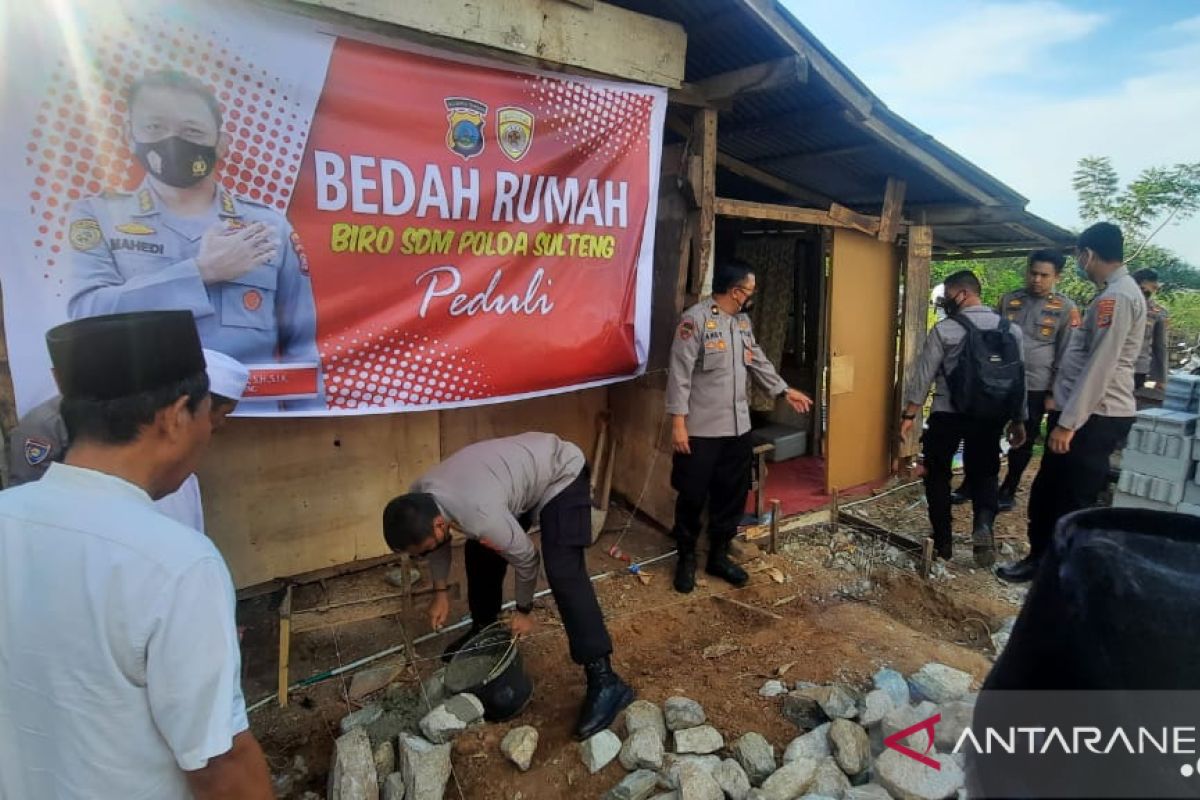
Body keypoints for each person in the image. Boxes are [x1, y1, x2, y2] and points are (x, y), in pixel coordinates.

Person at [0, 311, 271, 799]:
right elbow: (218, 763)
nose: (210, 433)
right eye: (208, 415)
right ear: (175, 416)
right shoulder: (177, 566)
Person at [65, 69, 321, 408]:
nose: (173, 142)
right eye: (155, 128)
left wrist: (302, 423)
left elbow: (301, 347)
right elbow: (86, 316)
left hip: (251, 422)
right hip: (142, 429)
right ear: (131, 136)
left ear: (221, 142)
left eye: (191, 130)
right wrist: (199, 273)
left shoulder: (268, 226)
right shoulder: (98, 217)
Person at [382, 432, 633, 740]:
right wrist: (441, 593)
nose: (422, 555)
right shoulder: (419, 497)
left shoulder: (479, 516)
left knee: (563, 568)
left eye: (421, 549)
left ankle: (606, 680)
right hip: (512, 482)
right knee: (480, 551)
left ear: (438, 525)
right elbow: (437, 546)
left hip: (559, 472)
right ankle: (483, 632)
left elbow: (527, 559)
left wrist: (524, 609)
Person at [997, 223, 1146, 583]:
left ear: (1088, 255)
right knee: (1049, 491)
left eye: (1080, 256)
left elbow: (1101, 365)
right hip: (1083, 415)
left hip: (1092, 418)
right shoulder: (1112, 293)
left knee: (1067, 498)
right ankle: (1043, 561)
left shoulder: (1118, 297)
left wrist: (1068, 423)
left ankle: (1058, 574)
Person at [665, 259, 812, 594]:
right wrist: (678, 424)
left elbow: (757, 360)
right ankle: (685, 558)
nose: (751, 296)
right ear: (735, 291)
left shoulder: (742, 323)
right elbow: (679, 374)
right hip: (701, 429)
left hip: (737, 429)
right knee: (691, 495)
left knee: (731, 495)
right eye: (749, 290)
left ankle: (718, 554)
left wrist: (783, 390)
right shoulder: (695, 320)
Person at [5, 348, 249, 531]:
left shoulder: (179, 469)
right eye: (223, 413)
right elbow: (31, 496)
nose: (221, 423)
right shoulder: (47, 423)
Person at [900, 270, 1027, 567]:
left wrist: (909, 415)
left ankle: (942, 542)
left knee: (937, 474)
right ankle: (983, 525)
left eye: (948, 296)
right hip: (991, 416)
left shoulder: (946, 330)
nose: (946, 302)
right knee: (985, 473)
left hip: (948, 414)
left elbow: (923, 377)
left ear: (964, 294)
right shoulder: (1012, 331)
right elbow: (1019, 379)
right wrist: (1019, 419)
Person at [950, 250, 1079, 511]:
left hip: (1035, 384)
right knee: (984, 435)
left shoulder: (1066, 308)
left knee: (1024, 440)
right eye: (1033, 272)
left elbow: (1066, 353)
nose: (1037, 280)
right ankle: (972, 484)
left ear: (1057, 277)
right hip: (999, 382)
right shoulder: (1009, 300)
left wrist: (1054, 392)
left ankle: (1008, 489)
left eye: (1044, 275)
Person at [1133, 267, 1169, 400]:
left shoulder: (1158, 312)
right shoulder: (1120, 303)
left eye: (1153, 287)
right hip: (1113, 366)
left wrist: (1161, 378)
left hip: (1138, 368)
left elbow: (1160, 346)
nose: (1150, 290)